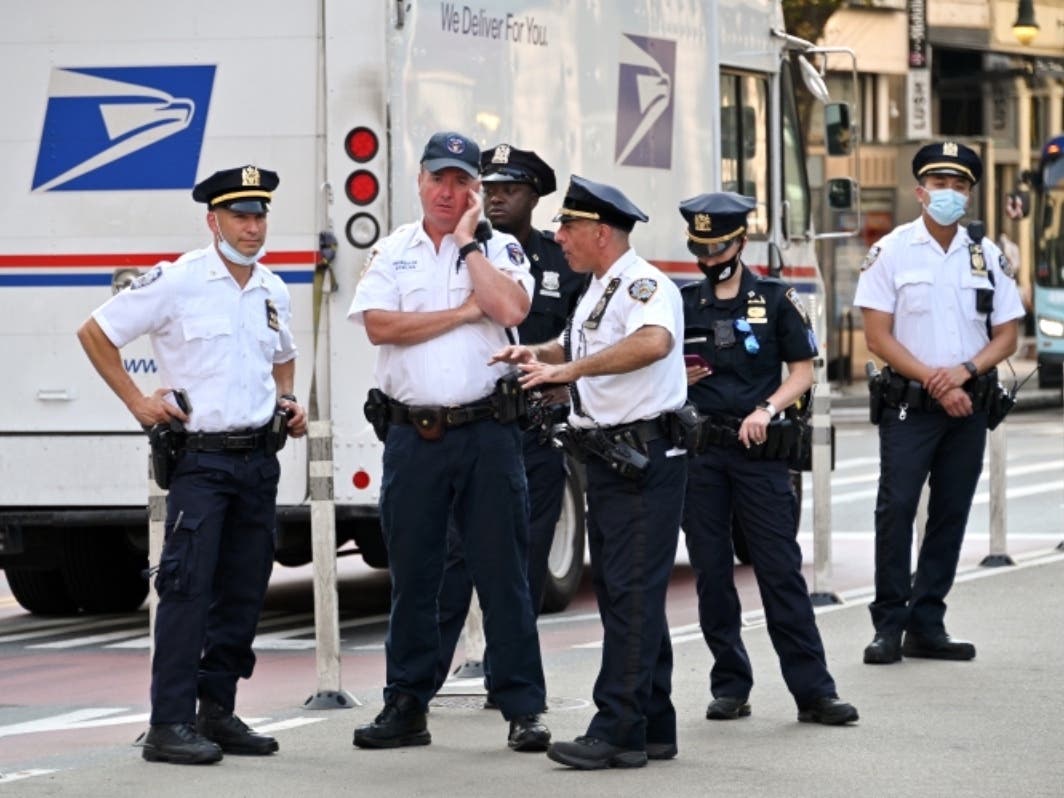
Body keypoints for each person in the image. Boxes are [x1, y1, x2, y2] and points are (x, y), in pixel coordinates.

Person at [77, 165, 307, 764]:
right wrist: (138, 402)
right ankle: (169, 723)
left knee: (244, 591)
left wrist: (287, 400)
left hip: (258, 460)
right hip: (201, 463)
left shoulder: (271, 289)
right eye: (240, 215)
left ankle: (218, 712)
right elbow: (96, 332)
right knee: (185, 592)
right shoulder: (177, 281)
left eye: (259, 215)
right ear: (214, 220)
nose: (252, 227)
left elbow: (283, 358)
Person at [348, 131, 550, 753]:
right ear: (420, 181)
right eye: (439, 179)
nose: (449, 191)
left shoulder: (503, 248)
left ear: (475, 192)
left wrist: (468, 246)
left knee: (503, 575)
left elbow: (510, 306)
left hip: (487, 433)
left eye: (463, 182)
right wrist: (464, 315)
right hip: (414, 437)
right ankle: (406, 705)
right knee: (415, 575)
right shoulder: (392, 251)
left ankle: (522, 708)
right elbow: (381, 326)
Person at [493, 175, 687, 770]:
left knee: (630, 594)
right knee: (624, 593)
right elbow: (578, 343)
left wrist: (569, 373)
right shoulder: (600, 287)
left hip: (639, 458)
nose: (560, 237)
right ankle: (653, 723)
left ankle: (617, 729)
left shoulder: (644, 283)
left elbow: (652, 342)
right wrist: (540, 355)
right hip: (608, 459)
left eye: (569, 227)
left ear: (600, 232)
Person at [677, 192, 858, 727]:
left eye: (718, 248)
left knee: (780, 572)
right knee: (711, 573)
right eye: (700, 250)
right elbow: (658, 367)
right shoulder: (684, 303)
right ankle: (730, 684)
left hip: (759, 453)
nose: (709, 260)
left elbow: (802, 370)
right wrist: (674, 380)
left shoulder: (776, 299)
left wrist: (768, 406)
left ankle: (814, 692)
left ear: (740, 243)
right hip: (704, 454)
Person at [854, 141, 1024, 665]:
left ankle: (927, 622)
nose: (949, 194)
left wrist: (966, 373)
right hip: (910, 407)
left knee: (950, 512)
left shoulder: (986, 253)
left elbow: (1007, 334)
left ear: (970, 195)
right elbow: (878, 337)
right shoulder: (893, 250)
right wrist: (937, 381)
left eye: (960, 186)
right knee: (897, 509)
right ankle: (888, 625)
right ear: (919, 191)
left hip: (968, 406)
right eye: (940, 185)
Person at [434, 144, 586, 693]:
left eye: (510, 189)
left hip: (533, 432)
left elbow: (582, 342)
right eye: (489, 187)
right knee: (451, 562)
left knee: (521, 565)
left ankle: (508, 681)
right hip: (470, 429)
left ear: (535, 196)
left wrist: (553, 377)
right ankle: (420, 686)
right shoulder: (464, 253)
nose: (496, 197)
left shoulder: (561, 263)